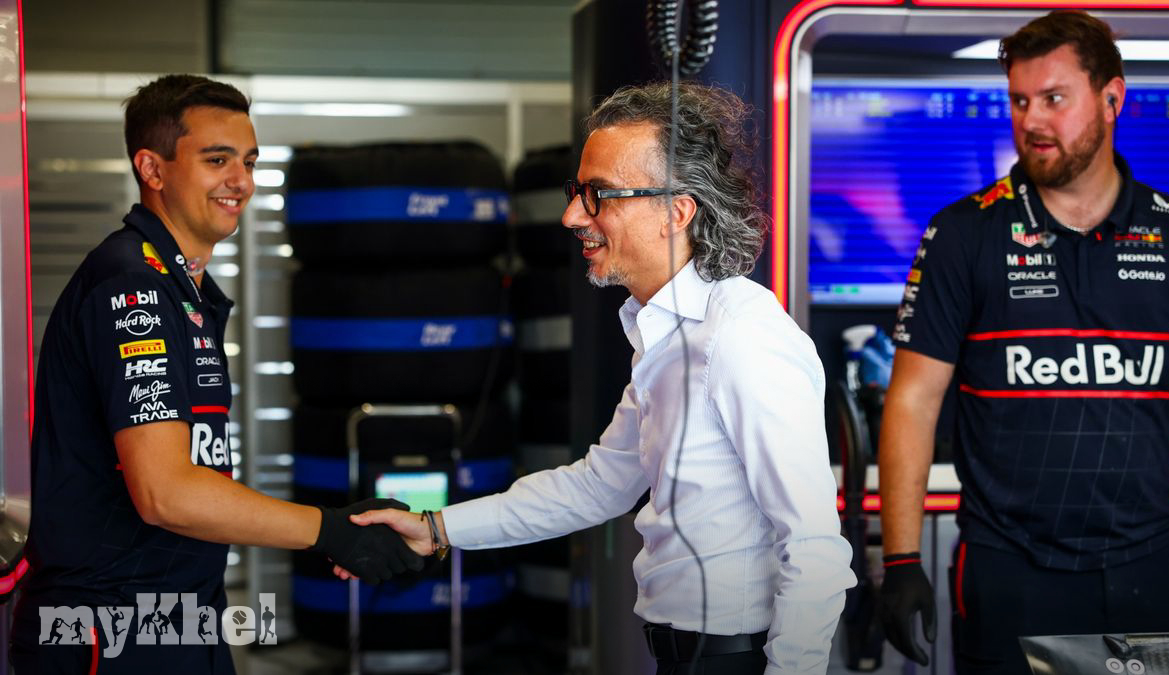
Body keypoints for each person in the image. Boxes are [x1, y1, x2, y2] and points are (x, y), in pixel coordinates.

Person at [339, 82, 855, 675]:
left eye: (598, 195)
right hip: (684, 655)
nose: (571, 216)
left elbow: (813, 544)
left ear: (676, 212)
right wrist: (435, 528)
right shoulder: (664, 335)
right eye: (575, 193)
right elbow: (599, 486)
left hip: (736, 659)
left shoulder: (741, 337)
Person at [11, 74, 422, 674]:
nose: (242, 181)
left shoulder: (184, 289)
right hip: (106, 625)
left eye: (248, 161)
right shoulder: (132, 285)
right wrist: (328, 531)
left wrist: (335, 527)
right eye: (217, 160)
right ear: (152, 169)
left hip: (182, 615)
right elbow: (166, 492)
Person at [878, 10, 1169, 674]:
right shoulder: (964, 233)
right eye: (1020, 101)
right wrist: (902, 558)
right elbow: (912, 400)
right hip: (1009, 572)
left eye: (1054, 98)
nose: (1032, 120)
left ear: (1112, 99)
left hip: (1154, 566)